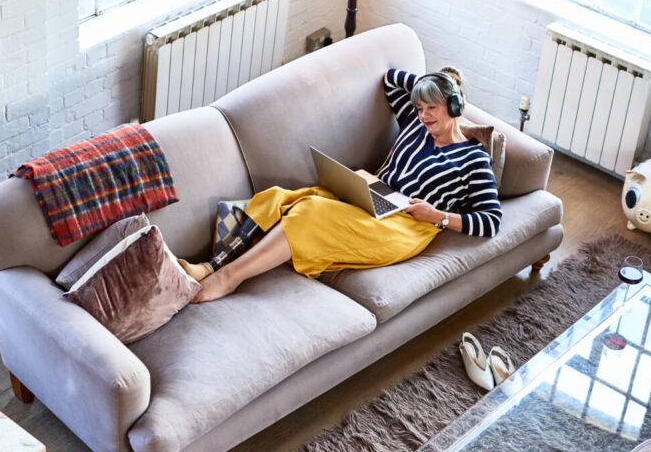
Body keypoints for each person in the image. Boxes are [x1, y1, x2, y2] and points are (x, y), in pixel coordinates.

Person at [192, 66, 502, 302]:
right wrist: (427, 87)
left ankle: (229, 277)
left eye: (431, 108)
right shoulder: (415, 123)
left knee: (310, 213)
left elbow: (491, 221)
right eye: (420, 108)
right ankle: (211, 266)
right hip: (378, 196)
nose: (423, 116)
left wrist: (438, 216)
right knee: (281, 197)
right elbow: (391, 79)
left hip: (408, 225)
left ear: (454, 106)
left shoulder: (473, 158)